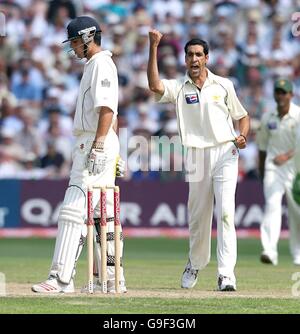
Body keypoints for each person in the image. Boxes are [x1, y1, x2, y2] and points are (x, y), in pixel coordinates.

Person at [147, 30, 250, 291]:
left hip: (226, 153)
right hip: (196, 156)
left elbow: (243, 116)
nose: (194, 59)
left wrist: (243, 135)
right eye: (190, 55)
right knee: (198, 217)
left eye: (198, 55)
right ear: (185, 59)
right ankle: (195, 263)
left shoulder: (224, 85)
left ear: (207, 58)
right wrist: (153, 46)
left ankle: (226, 275)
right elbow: (154, 86)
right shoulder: (179, 87)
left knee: (226, 213)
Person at [32, 16, 126, 293]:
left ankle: (60, 278)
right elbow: (111, 113)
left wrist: (100, 145)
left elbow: (108, 109)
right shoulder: (95, 65)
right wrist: (110, 147)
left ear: (87, 37)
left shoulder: (101, 64)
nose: (72, 47)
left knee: (74, 209)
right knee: (101, 216)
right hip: (98, 140)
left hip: (94, 142)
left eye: (74, 41)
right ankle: (111, 278)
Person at [257, 79, 300, 266]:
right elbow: (261, 147)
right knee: (272, 206)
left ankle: (298, 253)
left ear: (291, 95)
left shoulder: (298, 116)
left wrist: (287, 156)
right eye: (278, 92)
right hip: (273, 167)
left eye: (284, 92)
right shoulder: (269, 117)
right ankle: (269, 251)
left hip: (295, 169)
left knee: (296, 211)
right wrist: (262, 172)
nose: (281, 96)